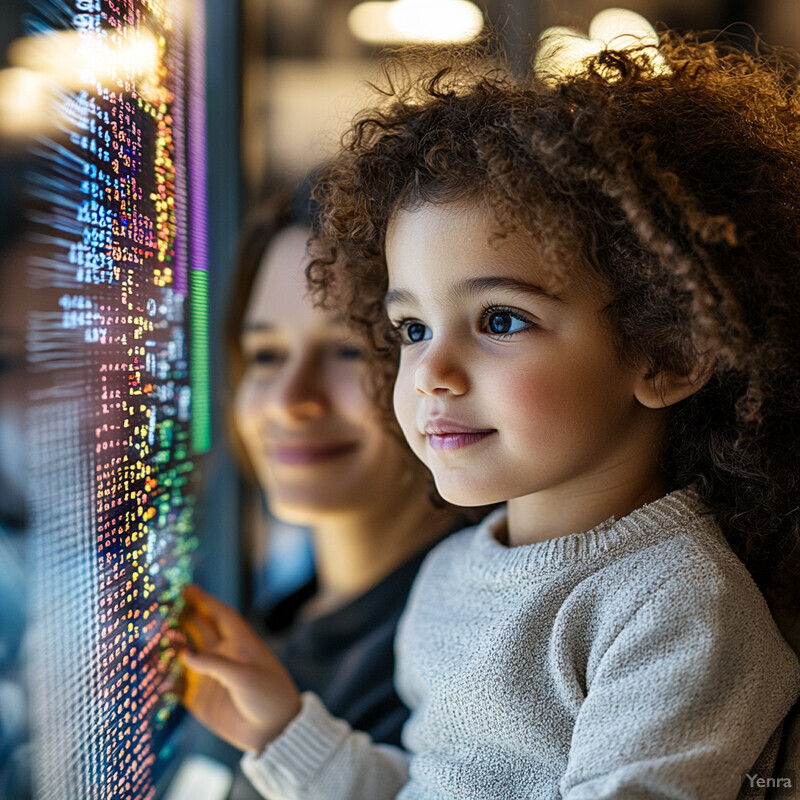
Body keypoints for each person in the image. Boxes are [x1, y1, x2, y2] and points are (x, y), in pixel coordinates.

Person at [179, 31, 800, 799]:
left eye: (500, 320)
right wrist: (283, 731)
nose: (433, 373)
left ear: (668, 352)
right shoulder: (452, 575)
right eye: (413, 329)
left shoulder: (676, 607)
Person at [206, 184, 467, 750]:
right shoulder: (279, 618)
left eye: (349, 350)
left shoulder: (465, 657)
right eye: (266, 356)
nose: (289, 399)